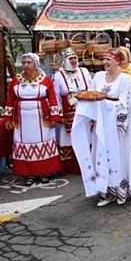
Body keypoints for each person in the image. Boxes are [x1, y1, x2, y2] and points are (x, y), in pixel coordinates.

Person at [88, 48, 131, 206]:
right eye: (103, 59)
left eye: (108, 59)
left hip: (117, 126)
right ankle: (106, 191)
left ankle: (121, 189)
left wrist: (104, 104)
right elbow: (91, 95)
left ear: (118, 61)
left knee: (117, 155)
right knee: (101, 155)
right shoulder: (98, 76)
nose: (105, 62)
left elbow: (125, 103)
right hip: (101, 125)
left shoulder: (125, 78)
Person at [3, 53, 61, 186]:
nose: (26, 65)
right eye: (24, 62)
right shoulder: (16, 80)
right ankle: (28, 174)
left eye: (29, 62)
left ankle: (44, 172)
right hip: (22, 120)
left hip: (42, 119)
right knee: (25, 144)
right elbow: (10, 100)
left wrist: (55, 117)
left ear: (35, 64)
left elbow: (52, 99)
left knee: (43, 144)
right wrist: (7, 118)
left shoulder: (45, 79)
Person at [53, 47, 92, 175]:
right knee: (67, 138)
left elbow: (91, 88)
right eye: (71, 58)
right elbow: (56, 96)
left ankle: (86, 163)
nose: (74, 61)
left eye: (75, 58)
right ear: (65, 61)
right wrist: (59, 113)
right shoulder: (58, 76)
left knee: (86, 135)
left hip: (85, 108)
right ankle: (69, 166)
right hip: (68, 110)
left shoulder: (84, 71)